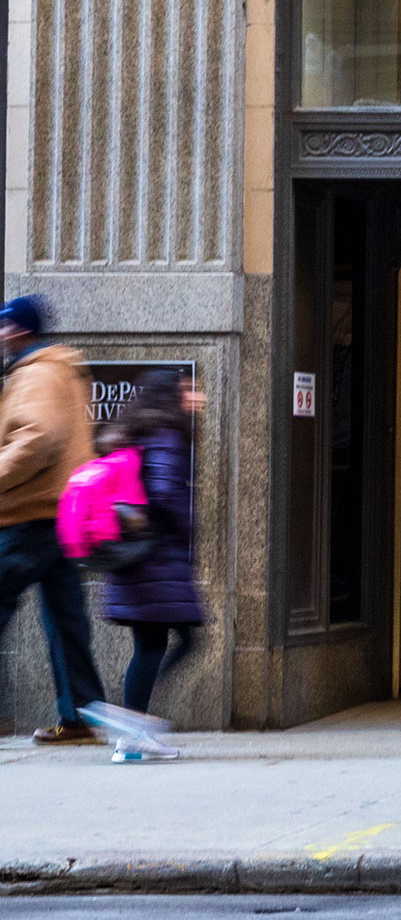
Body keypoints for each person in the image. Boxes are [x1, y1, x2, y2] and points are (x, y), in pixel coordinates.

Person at [0, 294, 110, 744]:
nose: (1, 336)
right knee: (66, 623)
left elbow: (39, 438)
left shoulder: (39, 372)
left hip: (31, 516)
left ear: (22, 331)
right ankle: (80, 715)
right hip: (58, 515)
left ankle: (80, 715)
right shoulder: (59, 369)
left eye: (5, 327)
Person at [89, 370, 206, 762]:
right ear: (170, 395)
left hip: (137, 562)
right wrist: (189, 526)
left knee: (157, 643)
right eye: (188, 389)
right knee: (173, 642)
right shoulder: (167, 433)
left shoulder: (136, 431)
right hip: (155, 561)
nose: (196, 395)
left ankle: (134, 728)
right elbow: (163, 493)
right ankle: (134, 725)